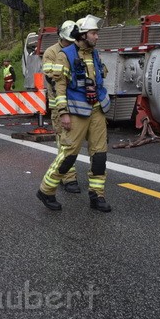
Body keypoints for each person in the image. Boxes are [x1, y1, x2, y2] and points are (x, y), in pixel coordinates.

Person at [36, 14, 112, 213]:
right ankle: (46, 190)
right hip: (76, 112)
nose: (97, 37)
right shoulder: (65, 55)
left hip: (96, 110)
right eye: (94, 33)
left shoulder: (94, 53)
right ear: (83, 35)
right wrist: (63, 113)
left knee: (100, 155)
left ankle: (97, 196)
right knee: (68, 155)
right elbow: (59, 87)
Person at [40, 20, 81, 194]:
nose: (71, 44)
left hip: (78, 103)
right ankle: (68, 177)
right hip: (59, 103)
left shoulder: (78, 49)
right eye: (68, 41)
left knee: (75, 141)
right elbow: (52, 78)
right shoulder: (51, 52)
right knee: (64, 141)